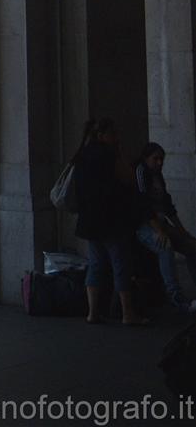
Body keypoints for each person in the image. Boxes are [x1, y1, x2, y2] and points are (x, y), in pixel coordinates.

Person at [73, 117, 147, 325]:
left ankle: (92, 312)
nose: (117, 137)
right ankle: (128, 313)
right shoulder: (109, 154)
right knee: (120, 264)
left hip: (89, 219)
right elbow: (129, 178)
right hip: (112, 218)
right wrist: (120, 152)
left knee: (96, 264)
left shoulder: (81, 155)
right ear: (102, 135)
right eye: (113, 134)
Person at [134, 141, 196, 314]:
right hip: (145, 225)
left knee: (192, 247)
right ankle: (175, 295)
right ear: (146, 158)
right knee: (165, 246)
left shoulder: (157, 175)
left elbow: (168, 205)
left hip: (160, 222)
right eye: (156, 159)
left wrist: (183, 232)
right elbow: (143, 205)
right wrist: (161, 231)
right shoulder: (141, 172)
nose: (160, 163)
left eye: (162, 159)